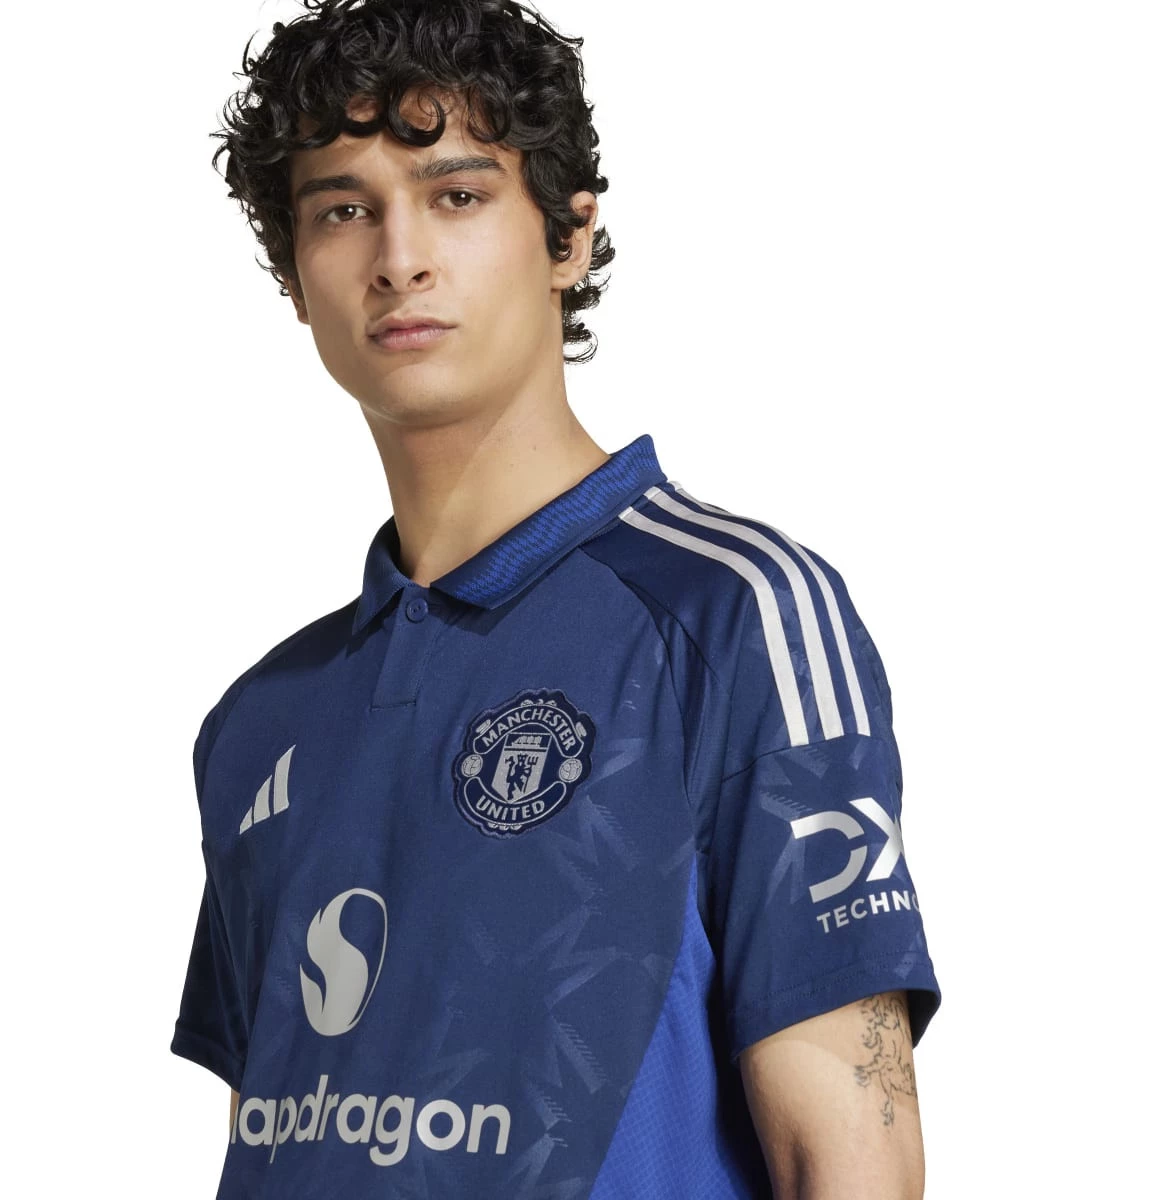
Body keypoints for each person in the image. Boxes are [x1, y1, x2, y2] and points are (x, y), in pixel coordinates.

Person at [170, 2, 941, 1196]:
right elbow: (279, 1129)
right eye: (343, 210)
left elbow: (849, 1164)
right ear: (293, 274)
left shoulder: (734, 619)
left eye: (457, 195)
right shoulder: (260, 720)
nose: (399, 257)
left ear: (569, 237)